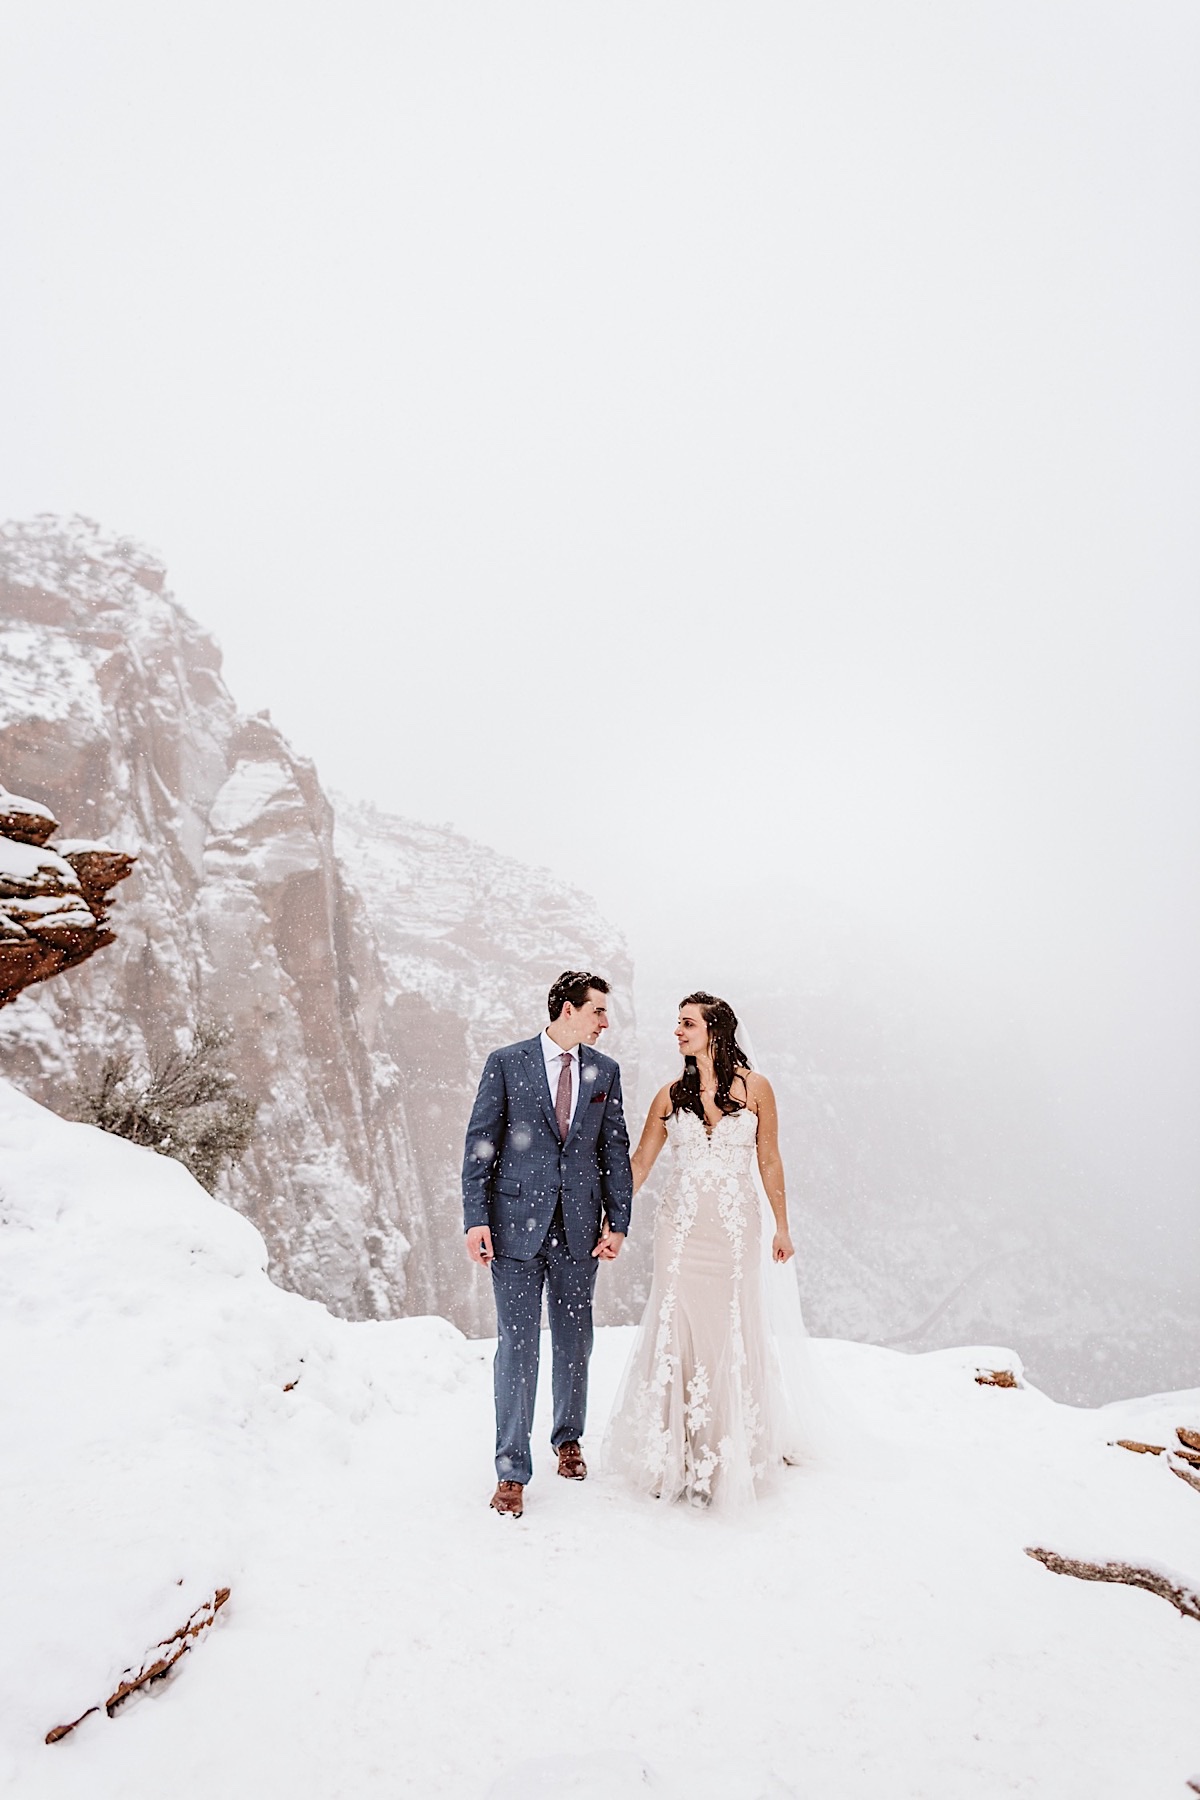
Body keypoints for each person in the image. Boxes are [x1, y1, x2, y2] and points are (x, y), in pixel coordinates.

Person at [604, 990, 808, 1507]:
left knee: (732, 1324)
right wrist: (612, 1218)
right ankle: (674, 1452)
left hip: (736, 1227)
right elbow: (640, 1166)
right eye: (677, 1023)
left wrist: (782, 1226)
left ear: (715, 1030)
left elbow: (770, 1160)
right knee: (677, 1324)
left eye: (687, 1023)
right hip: (681, 1228)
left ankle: (731, 1446)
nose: (677, 1032)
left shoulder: (756, 1088)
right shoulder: (669, 1095)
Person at [462, 970, 634, 1518]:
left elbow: (615, 1151)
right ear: (567, 1009)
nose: (605, 1022)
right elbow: (481, 1143)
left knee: (574, 1339)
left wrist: (618, 1222)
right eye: (597, 1011)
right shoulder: (506, 1062)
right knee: (517, 1345)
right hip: (512, 1227)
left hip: (580, 1229)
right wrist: (475, 1219)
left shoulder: (605, 1072)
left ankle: (568, 1438)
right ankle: (511, 1470)